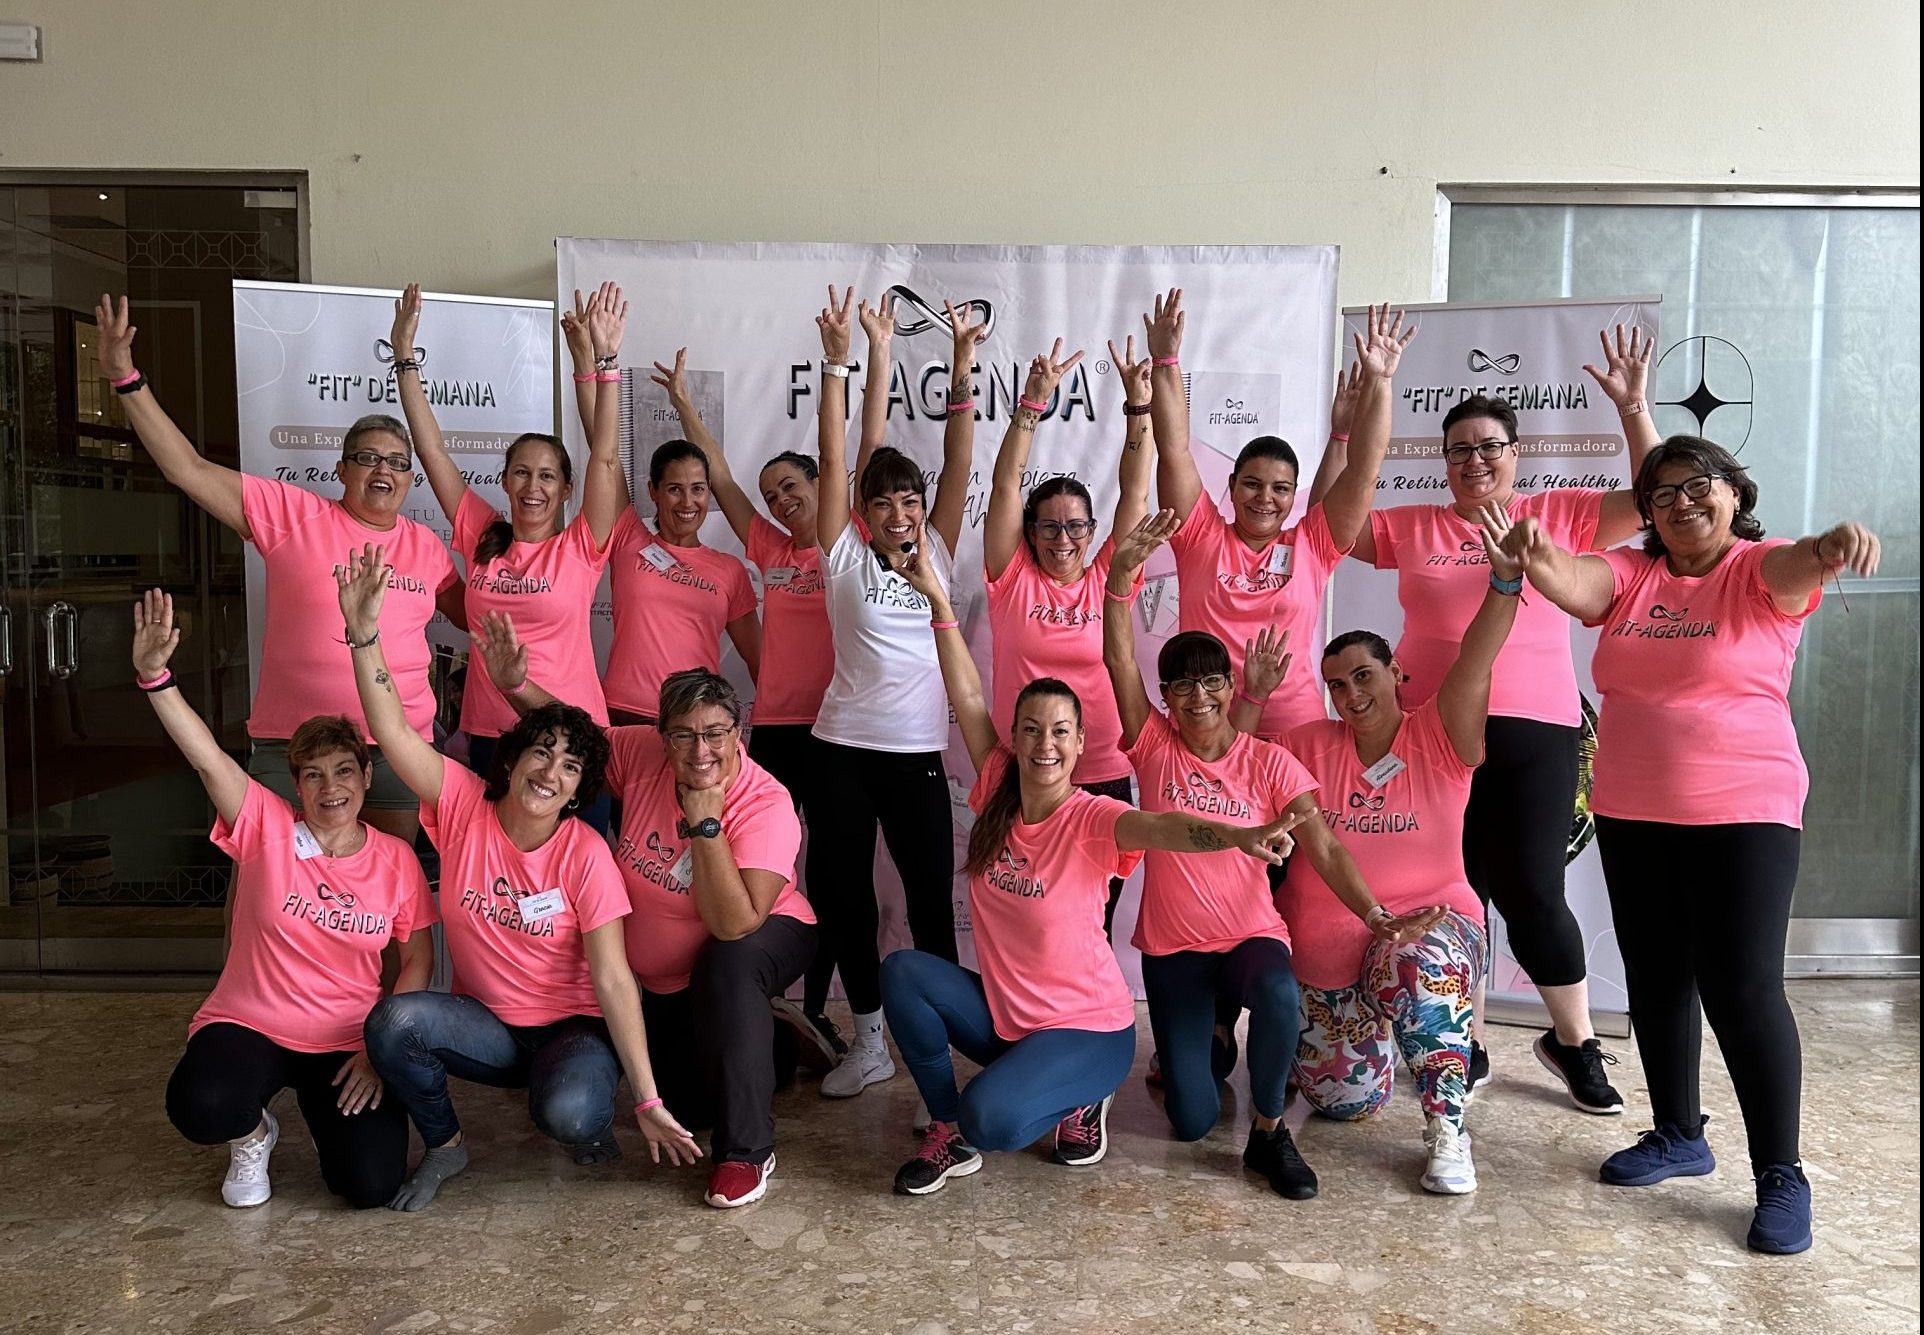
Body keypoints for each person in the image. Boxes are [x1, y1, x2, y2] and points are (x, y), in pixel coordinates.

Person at [1499, 435, 1881, 1254]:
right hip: (1634, 810)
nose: (1681, 503)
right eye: (1662, 494)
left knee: (1743, 988)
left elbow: (1800, 566)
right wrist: (1539, 555)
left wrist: (1830, 545)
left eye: (1698, 486)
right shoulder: (1633, 574)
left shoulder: (1756, 567)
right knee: (1658, 976)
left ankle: (1781, 1172)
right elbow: (1578, 581)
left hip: (1745, 811)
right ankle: (1678, 1133)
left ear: (1734, 493)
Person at [884, 550, 1305, 1196]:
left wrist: (1240, 835)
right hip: (1008, 1018)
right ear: (1015, 738)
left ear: (1081, 743)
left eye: (1060, 731)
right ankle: (946, 1127)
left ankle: (1079, 1097)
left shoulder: (1093, 818)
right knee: (903, 973)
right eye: (1031, 729)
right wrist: (939, 603)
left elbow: (1164, 827)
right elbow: (966, 692)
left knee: (992, 1117)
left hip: (1088, 1029)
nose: (1044, 744)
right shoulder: (997, 787)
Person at [1331, 326, 1660, 1110]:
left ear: (1515, 452)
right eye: (1459, 449)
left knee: (1535, 891)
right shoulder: (1415, 523)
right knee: (1452, 888)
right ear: (1443, 460)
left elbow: (1656, 497)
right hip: (1431, 733)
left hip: (1537, 729)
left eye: (1489, 447)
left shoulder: (1560, 514)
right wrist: (1346, 430)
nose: (1474, 460)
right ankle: (1464, 1039)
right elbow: (1334, 523)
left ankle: (1574, 1041)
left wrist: (1633, 410)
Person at [336, 545, 699, 1211]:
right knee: (392, 1021)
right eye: (541, 752)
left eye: (569, 767)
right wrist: (364, 633)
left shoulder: (585, 852)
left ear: (579, 791)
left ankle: (584, 1112)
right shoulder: (463, 803)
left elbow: (615, 979)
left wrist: (646, 1100)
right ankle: (446, 1145)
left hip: (573, 1027)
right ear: (514, 758)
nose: (550, 772)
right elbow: (392, 730)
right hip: (488, 1028)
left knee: (571, 1113)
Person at [1105, 511, 1404, 1201]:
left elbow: (1324, 844)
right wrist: (1120, 580)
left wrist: (1374, 913)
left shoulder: (1267, 761)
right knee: (1191, 1121)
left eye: (1211, 681)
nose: (1199, 696)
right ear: (1165, 698)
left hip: (1248, 937)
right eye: (1182, 685)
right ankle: (1213, 1035)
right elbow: (1118, 661)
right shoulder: (1153, 747)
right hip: (1175, 950)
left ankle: (1269, 1132)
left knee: (1277, 992)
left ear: (1228, 685)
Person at [474, 615, 818, 1208]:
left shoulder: (766, 802)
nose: (701, 750)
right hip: (664, 980)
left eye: (715, 733)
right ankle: (775, 1043)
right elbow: (576, 737)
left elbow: (735, 922)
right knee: (687, 1104)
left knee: (730, 962)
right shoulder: (640, 756)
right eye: (683, 735)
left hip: (766, 932)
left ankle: (746, 1152)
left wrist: (706, 823)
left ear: (738, 731)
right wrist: (515, 686)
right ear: (661, 736)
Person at [95, 294, 457, 843]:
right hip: (294, 748)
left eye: (397, 462)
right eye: (367, 457)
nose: (383, 468)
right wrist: (126, 379)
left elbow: (481, 614)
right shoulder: (293, 515)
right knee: (268, 882)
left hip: (395, 751)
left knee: (386, 885)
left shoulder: (427, 547)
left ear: (411, 478)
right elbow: (188, 469)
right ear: (341, 469)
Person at [1253, 504, 1524, 1197]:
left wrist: (1504, 584)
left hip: (1430, 929)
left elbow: (1476, 657)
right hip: (1326, 955)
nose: (1351, 694)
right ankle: (1387, 1041)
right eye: (1337, 684)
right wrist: (1254, 696)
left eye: (1364, 676)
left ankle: (1447, 1127)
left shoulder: (1440, 733)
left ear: (1397, 673)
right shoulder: (1307, 744)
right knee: (1345, 1102)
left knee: (1414, 964)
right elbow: (1237, 765)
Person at [138, 589, 437, 1209]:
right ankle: (253, 1133)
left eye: (344, 770)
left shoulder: (396, 860)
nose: (331, 787)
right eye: (313, 774)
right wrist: (155, 680)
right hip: (251, 1024)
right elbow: (207, 760)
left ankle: (326, 1118)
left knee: (371, 1186)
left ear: (366, 776)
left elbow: (416, 961)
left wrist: (380, 1047)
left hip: (346, 1040)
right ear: (296, 784)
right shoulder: (266, 827)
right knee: (202, 1104)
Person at [646, 345, 845, 1064]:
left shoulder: (848, 547)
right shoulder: (766, 546)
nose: (782, 501)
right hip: (778, 727)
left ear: (821, 485)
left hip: (837, 730)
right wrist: (684, 407)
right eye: (774, 494)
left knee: (828, 876)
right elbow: (723, 480)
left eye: (792, 487)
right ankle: (766, 999)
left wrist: (841, 367)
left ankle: (819, 1007)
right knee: (764, 865)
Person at [806, 285, 977, 1099]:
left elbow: (961, 462)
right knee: (843, 899)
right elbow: (840, 452)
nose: (902, 513)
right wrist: (844, 362)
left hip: (915, 756)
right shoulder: (841, 552)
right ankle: (869, 1038)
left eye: (911, 500)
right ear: (864, 513)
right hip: (841, 750)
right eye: (886, 503)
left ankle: (934, 1057)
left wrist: (962, 361)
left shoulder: (937, 546)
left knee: (930, 906)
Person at [386, 283, 627, 831]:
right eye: (521, 473)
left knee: (578, 865)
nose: (532, 487)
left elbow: (606, 458)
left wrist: (607, 362)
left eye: (546, 476)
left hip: (570, 738)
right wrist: (404, 357)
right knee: (496, 867)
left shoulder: (580, 546)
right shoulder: (482, 533)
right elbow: (431, 451)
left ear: (566, 490)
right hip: (492, 735)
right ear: (505, 481)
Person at [1145, 292, 1413, 739]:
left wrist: (1380, 382)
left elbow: (1364, 471)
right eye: (1252, 484)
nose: (1265, 498)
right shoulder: (1199, 536)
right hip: (1208, 723)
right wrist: (1165, 361)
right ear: (1232, 486)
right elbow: (1173, 449)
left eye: (1281, 489)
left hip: (1296, 728)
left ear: (1293, 496)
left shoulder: (1312, 544)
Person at [980, 333, 1152, 937]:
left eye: (1076, 527)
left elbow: (1135, 491)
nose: (1062, 539)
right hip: (1024, 768)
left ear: (1092, 531)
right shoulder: (1011, 578)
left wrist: (1138, 407)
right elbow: (1005, 485)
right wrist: (1031, 405)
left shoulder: (1111, 575)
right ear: (1030, 531)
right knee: (1025, 912)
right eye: (1049, 527)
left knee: (1093, 917)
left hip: (1102, 766)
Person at [601, 341, 760, 723]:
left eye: (698, 489)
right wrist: (601, 364)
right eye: (674, 489)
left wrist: (683, 403)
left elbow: (761, 663)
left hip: (696, 725)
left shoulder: (730, 571)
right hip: (625, 715)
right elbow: (603, 453)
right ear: (652, 491)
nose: (688, 502)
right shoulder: (628, 539)